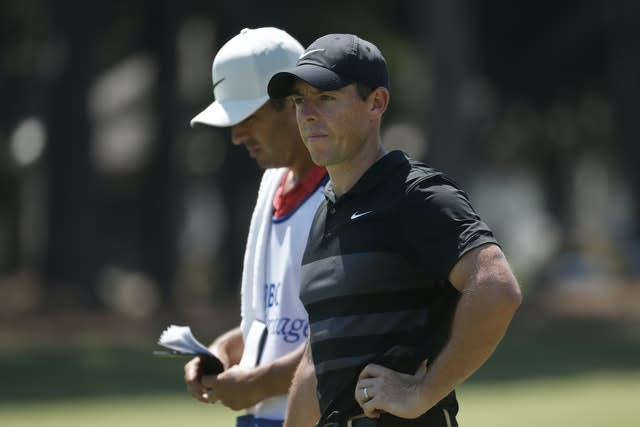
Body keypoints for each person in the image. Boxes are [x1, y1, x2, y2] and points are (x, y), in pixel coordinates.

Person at [267, 33, 523, 427]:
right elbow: (316, 361)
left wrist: (422, 392)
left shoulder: (415, 194)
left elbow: (496, 287)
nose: (308, 113)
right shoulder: (326, 212)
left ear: (377, 103)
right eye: (300, 101)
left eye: (326, 98)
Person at [184, 27, 328, 427]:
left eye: (248, 116)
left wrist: (261, 382)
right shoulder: (272, 182)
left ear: (294, 102)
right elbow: (277, 321)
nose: (236, 135)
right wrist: (225, 350)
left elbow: (350, 334)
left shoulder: (345, 192)